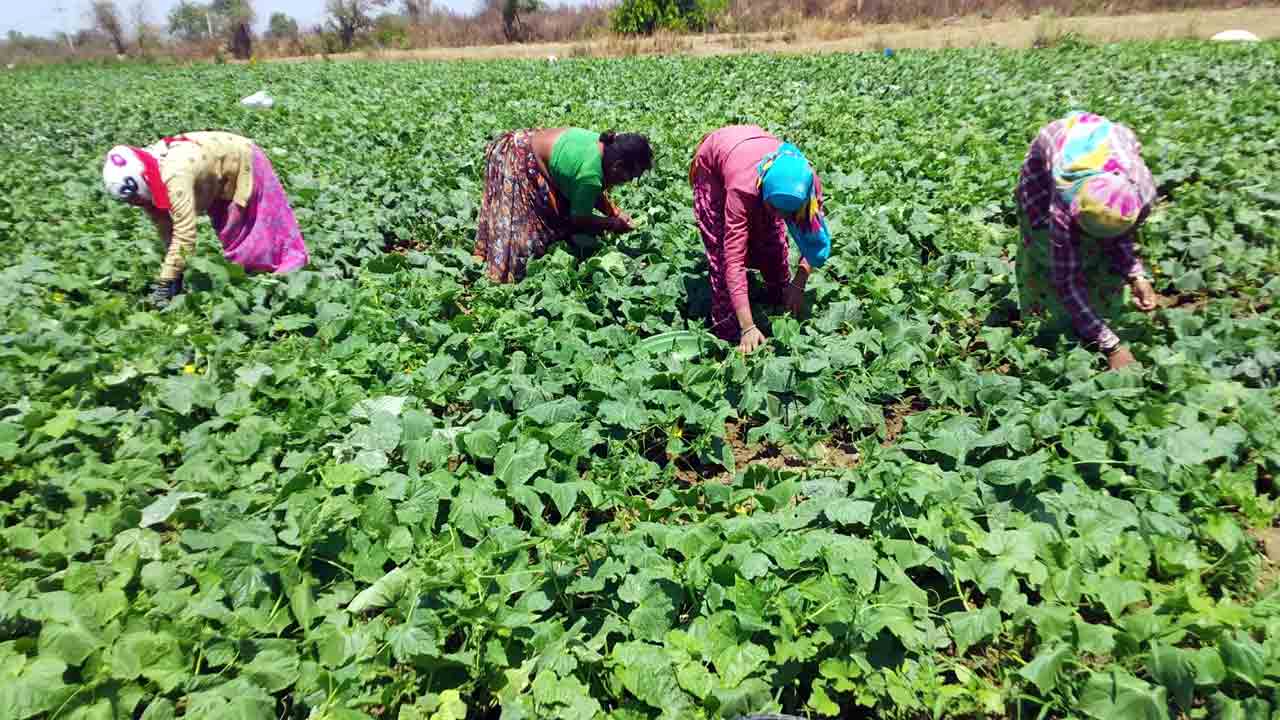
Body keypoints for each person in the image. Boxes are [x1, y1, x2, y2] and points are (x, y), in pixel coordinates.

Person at [1015, 112, 1159, 370]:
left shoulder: (1143, 194)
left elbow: (1122, 234)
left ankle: (1094, 317)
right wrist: (1113, 347)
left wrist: (1137, 276)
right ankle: (1045, 316)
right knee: (1043, 248)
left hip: (1107, 144)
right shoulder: (1062, 206)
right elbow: (1066, 282)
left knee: (1105, 252)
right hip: (1057, 143)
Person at [101, 131, 309, 307]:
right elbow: (165, 225)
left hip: (242, 158)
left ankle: (290, 277)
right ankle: (255, 282)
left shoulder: (175, 174)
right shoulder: (147, 179)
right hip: (213, 180)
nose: (140, 205)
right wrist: (175, 270)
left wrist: (166, 280)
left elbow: (185, 233)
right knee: (233, 233)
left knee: (263, 226)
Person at [689, 125, 831, 354]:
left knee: (772, 239)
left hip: (753, 150)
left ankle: (778, 296)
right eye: (775, 208)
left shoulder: (806, 182)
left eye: (788, 213)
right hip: (716, 162)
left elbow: (814, 235)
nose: (782, 217)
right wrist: (747, 327)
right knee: (721, 249)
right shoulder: (742, 189)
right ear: (763, 190)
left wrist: (799, 281)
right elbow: (732, 260)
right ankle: (728, 331)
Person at [473, 128, 653, 283]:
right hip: (517, 157)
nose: (627, 182)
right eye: (629, 177)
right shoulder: (589, 176)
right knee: (523, 247)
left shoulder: (603, 145)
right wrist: (612, 224)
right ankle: (488, 273)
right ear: (617, 165)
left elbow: (589, 190)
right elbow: (580, 218)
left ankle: (481, 255)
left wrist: (615, 212)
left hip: (524, 140)